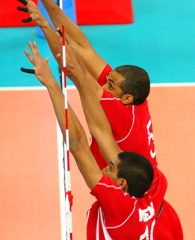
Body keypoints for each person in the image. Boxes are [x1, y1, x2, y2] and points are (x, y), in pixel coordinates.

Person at [17, 1, 184, 239]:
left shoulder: (120, 116)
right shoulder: (131, 99)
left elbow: (76, 72)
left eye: (110, 85)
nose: (104, 84)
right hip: (150, 196)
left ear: (125, 98)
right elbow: (81, 46)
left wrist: (45, 25)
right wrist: (44, 7)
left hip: (146, 206)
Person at [23, 39, 160, 239]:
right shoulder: (148, 199)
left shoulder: (117, 204)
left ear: (122, 184)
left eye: (110, 168)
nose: (104, 168)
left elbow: (79, 145)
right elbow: (98, 131)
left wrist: (52, 84)